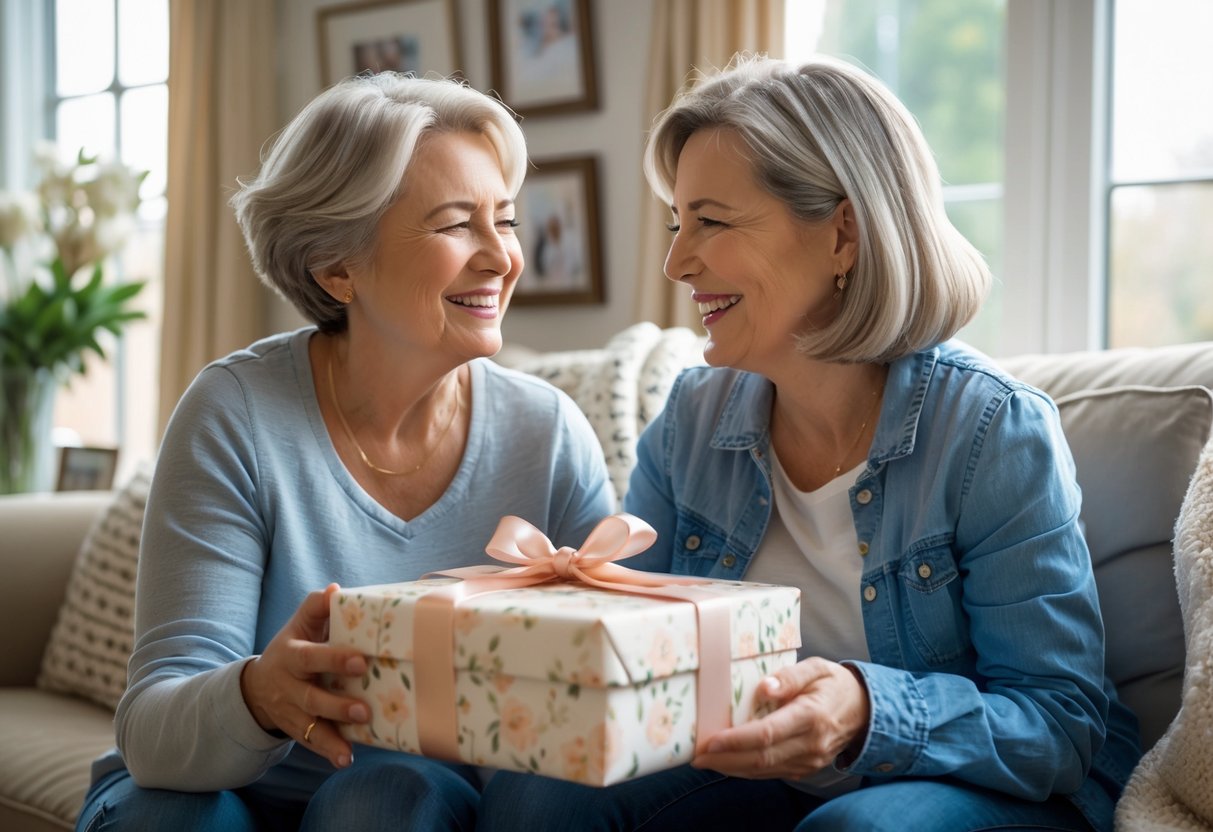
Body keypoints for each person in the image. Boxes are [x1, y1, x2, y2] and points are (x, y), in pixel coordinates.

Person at [478, 55, 1141, 832]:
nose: (676, 262)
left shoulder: (991, 430)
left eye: (711, 222)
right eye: (678, 223)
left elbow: (1058, 725)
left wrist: (866, 710)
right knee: (540, 791)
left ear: (842, 234)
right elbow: (633, 657)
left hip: (988, 789)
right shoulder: (691, 420)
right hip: (775, 782)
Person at [74, 73, 615, 831]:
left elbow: (608, 684)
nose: (502, 257)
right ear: (336, 267)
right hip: (217, 790)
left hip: (403, 806)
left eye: (506, 220)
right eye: (456, 226)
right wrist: (259, 695)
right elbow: (155, 732)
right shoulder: (236, 413)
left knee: (386, 795)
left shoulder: (546, 433)